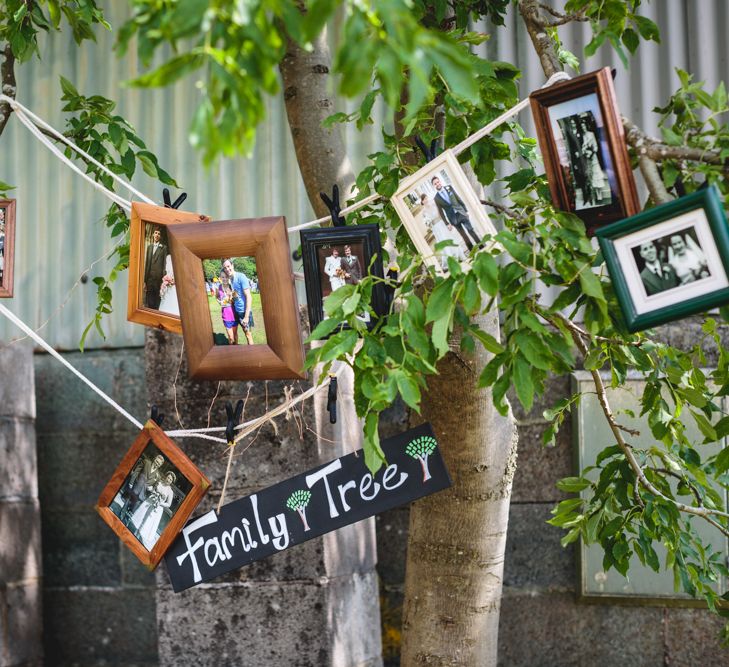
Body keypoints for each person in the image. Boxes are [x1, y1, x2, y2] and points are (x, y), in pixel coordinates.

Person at [431, 176, 481, 251]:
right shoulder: (436, 198)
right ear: (433, 186)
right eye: (435, 183)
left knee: (470, 230)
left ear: (440, 181)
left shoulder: (449, 187)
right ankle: (472, 250)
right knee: (464, 235)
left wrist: (465, 210)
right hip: (453, 219)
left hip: (461, 212)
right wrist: (447, 224)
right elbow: (441, 212)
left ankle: (481, 246)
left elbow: (458, 198)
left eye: (438, 182)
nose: (437, 184)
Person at [131, 470, 176, 550]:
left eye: (170, 479)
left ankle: (138, 537)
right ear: (166, 477)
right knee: (142, 516)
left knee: (148, 521)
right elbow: (153, 489)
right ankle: (135, 532)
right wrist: (151, 489)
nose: (168, 480)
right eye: (168, 477)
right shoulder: (159, 482)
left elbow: (168, 504)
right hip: (150, 501)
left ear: (171, 481)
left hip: (157, 508)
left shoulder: (170, 492)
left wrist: (160, 503)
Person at [420, 192, 466, 270]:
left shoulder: (434, 204)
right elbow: (426, 222)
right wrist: (427, 222)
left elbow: (441, 214)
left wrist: (447, 223)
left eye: (426, 198)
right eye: (424, 199)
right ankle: (450, 260)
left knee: (449, 238)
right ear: (422, 201)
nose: (426, 200)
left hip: (441, 224)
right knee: (442, 242)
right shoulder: (423, 212)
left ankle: (457, 255)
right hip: (435, 228)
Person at [121, 454, 164, 522]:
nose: (157, 463)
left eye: (159, 463)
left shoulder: (158, 476)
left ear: (160, 465)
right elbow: (136, 472)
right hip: (136, 488)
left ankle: (126, 520)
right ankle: (121, 515)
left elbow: (154, 488)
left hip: (142, 495)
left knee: (132, 510)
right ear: (155, 459)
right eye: (156, 461)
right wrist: (131, 482)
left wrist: (151, 488)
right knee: (127, 503)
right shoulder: (146, 462)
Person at [222, 258, 254, 345]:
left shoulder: (241, 276)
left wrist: (246, 317)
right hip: (235, 311)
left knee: (248, 334)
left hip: (244, 312)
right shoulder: (230, 280)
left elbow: (249, 297)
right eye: (225, 268)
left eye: (228, 266)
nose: (227, 269)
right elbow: (236, 296)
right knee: (234, 335)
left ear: (232, 265)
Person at [143, 226, 167, 309]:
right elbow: (147, 264)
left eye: (159, 234)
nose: (157, 235)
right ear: (153, 234)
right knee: (149, 300)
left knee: (156, 301)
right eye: (155, 233)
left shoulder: (163, 248)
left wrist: (163, 280)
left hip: (158, 279)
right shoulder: (149, 247)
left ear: (160, 236)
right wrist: (145, 281)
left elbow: (164, 264)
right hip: (149, 279)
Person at [217, 269, 239, 345]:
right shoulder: (218, 288)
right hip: (226, 316)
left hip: (235, 315)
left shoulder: (232, 287)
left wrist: (233, 296)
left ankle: (236, 351)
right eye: (223, 277)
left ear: (228, 277)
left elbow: (236, 299)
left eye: (226, 277)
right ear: (220, 277)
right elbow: (219, 300)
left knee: (235, 336)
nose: (225, 279)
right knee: (231, 337)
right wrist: (222, 300)